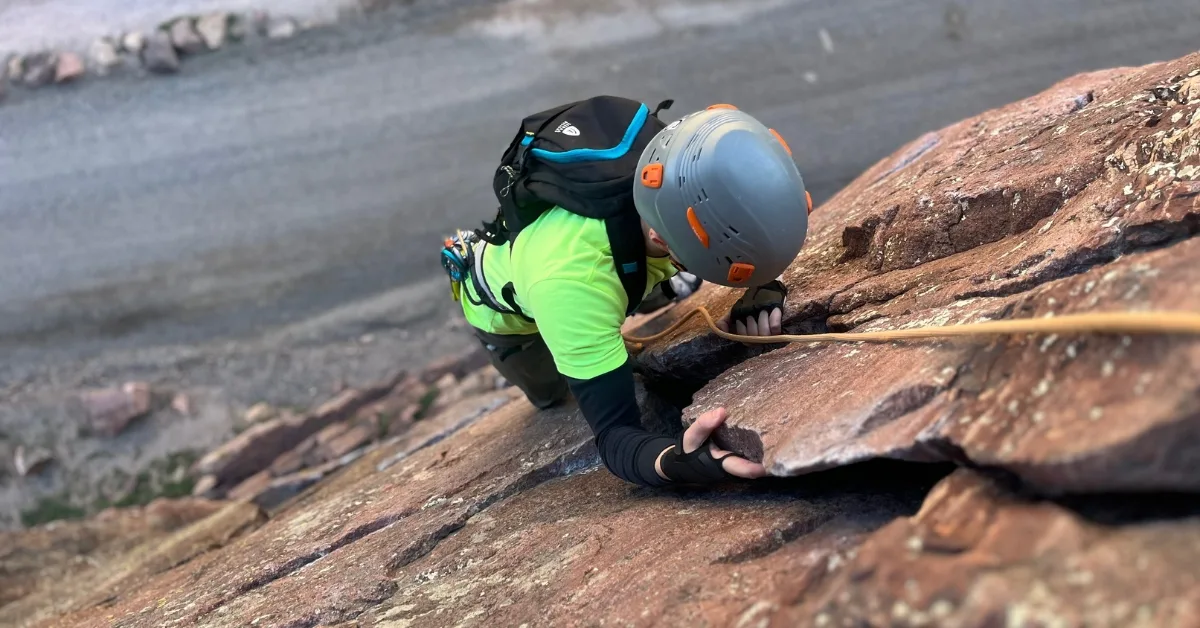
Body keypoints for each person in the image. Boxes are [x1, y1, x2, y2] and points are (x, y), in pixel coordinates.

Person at [443, 99, 810, 487]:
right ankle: (649, 292)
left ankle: (657, 287)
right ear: (660, 237)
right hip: (508, 309)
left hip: (611, 259)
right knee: (551, 395)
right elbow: (617, 439)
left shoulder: (679, 161)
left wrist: (763, 283)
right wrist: (677, 462)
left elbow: (755, 212)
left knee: (641, 282)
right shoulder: (572, 283)